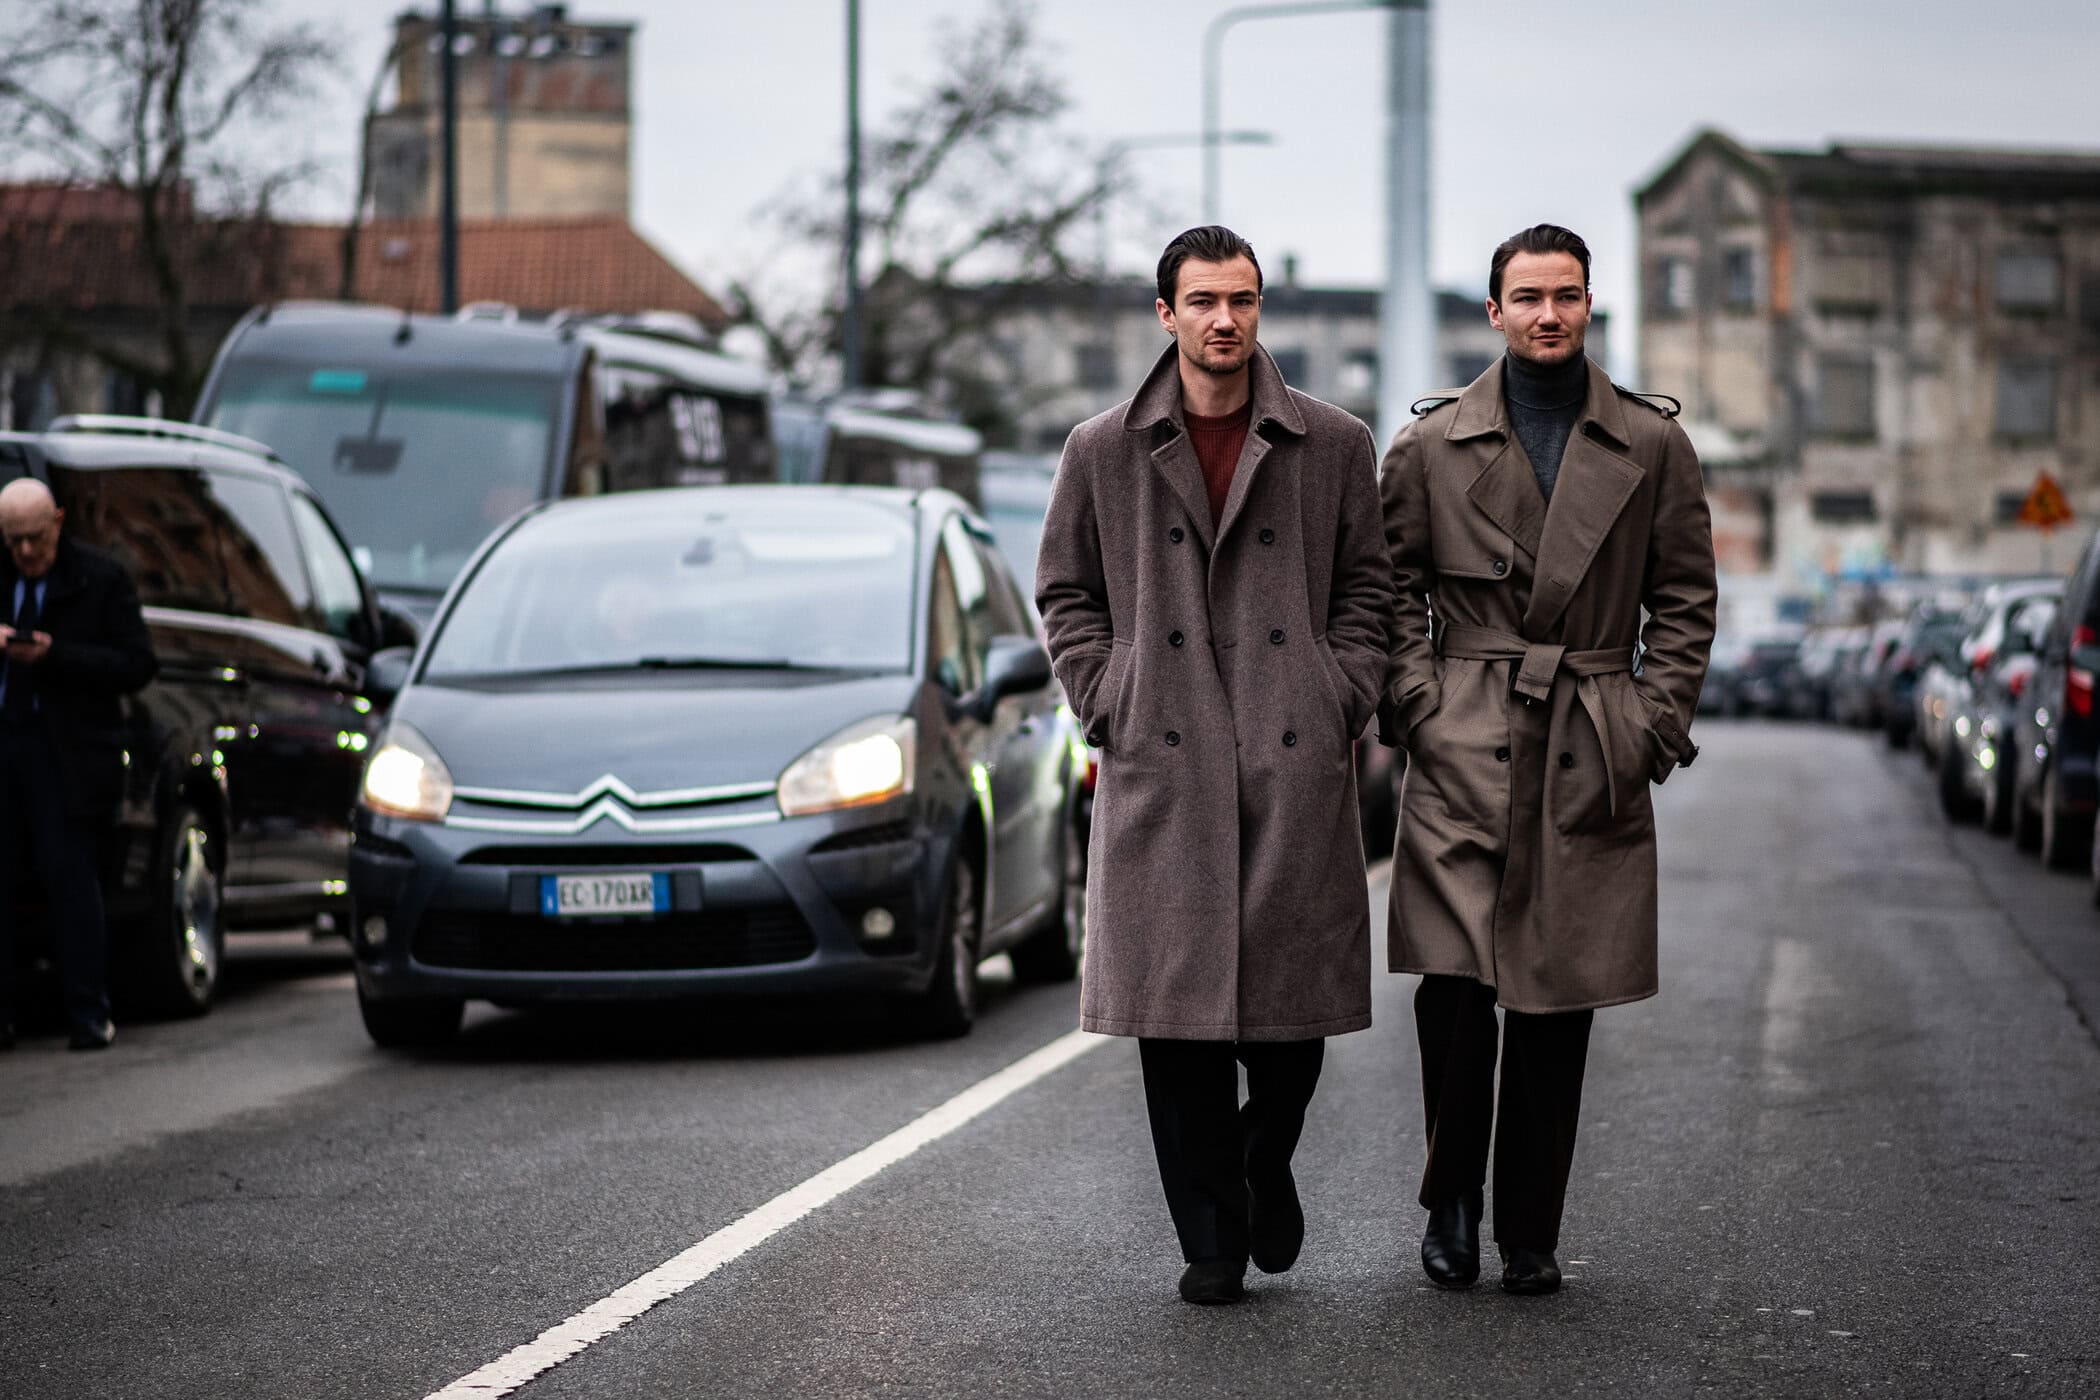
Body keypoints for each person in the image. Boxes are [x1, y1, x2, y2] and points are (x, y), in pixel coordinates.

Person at [1036, 225, 1394, 1305]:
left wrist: (1337, 693)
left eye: (1241, 300)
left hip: (1290, 757)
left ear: (1259, 309)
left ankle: (1262, 1155)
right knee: (1178, 1017)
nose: (1223, 320)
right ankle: (1211, 1237)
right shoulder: (1101, 449)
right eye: (1202, 301)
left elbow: (1369, 593)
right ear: (1165, 314)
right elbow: (1067, 593)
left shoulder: (1332, 443)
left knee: (1291, 1013)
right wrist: (1111, 694)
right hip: (1166, 753)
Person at [1378, 224, 1716, 1295]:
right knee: (1452, 982)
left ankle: (1530, 1223)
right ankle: (1452, 1201)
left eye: (1566, 295)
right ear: (1493, 311)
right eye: (1527, 296)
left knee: (1555, 995)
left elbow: (1688, 599)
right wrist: (1420, 700)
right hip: (1464, 730)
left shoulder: (1651, 445)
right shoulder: (1429, 445)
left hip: (1589, 730)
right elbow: (1384, 589)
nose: (1548, 314)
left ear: (1588, 304)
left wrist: (1650, 722)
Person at [0, 477, 158, 1051]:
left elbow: (138, 662)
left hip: (65, 750)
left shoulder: (100, 577)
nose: (24, 553)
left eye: (34, 539)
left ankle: (89, 1012)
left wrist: (54, 655)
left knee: (71, 881)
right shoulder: (5, 574)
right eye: (12, 541)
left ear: (58, 523)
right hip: (8, 740)